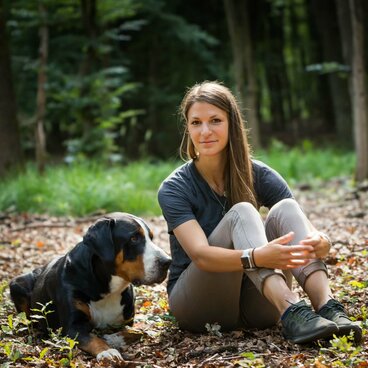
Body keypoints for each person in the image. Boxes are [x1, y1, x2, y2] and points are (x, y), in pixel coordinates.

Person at [157, 81, 362, 344]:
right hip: (198, 306)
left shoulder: (259, 174)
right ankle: (292, 308)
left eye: (215, 120)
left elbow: (302, 227)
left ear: (232, 123)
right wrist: (257, 256)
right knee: (242, 211)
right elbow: (201, 256)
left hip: (257, 307)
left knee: (285, 208)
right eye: (196, 122)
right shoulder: (175, 187)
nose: (205, 131)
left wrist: (322, 243)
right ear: (187, 127)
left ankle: (329, 308)